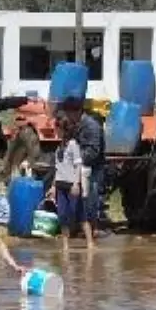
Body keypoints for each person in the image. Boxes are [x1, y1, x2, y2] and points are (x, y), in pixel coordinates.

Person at [59, 97, 106, 237]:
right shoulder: (75, 124)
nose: (66, 116)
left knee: (90, 199)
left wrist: (74, 159)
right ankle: (83, 229)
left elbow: (93, 151)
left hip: (92, 169)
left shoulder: (91, 126)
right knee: (82, 200)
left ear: (77, 111)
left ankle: (93, 230)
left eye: (68, 113)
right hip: (81, 168)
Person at [52, 116, 92, 253]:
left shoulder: (73, 144)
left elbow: (78, 165)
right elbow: (57, 167)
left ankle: (90, 243)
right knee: (62, 215)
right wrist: (53, 186)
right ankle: (65, 246)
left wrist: (77, 183)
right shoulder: (59, 147)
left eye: (56, 128)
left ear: (63, 129)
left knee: (80, 214)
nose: (55, 131)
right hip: (60, 185)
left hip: (71, 185)